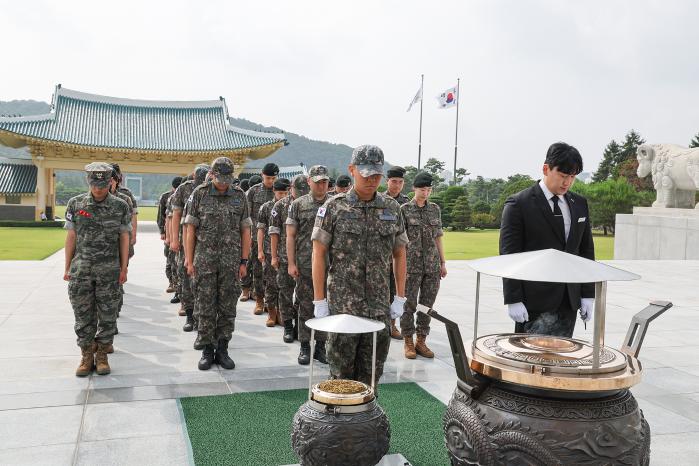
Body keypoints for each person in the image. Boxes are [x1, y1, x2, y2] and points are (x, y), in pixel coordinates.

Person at [311, 145, 408, 387]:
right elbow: (318, 254)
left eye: (377, 175)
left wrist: (400, 297)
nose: (372, 180)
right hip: (344, 306)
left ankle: (368, 422)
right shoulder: (333, 207)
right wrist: (319, 300)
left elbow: (400, 253)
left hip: (377, 306)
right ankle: (339, 424)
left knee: (372, 374)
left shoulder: (392, 208)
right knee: (341, 376)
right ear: (352, 170)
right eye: (366, 175)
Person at [499, 142, 595, 337]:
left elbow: (585, 252)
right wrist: (513, 298)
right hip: (533, 300)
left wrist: (587, 294)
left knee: (561, 359)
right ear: (546, 169)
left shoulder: (579, 204)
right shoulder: (518, 204)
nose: (567, 182)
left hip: (569, 300)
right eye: (562, 175)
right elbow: (509, 254)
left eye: (572, 176)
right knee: (530, 361)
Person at [63, 162, 131, 376]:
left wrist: (124, 268)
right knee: (83, 315)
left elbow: (124, 237)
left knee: (108, 314)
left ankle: (101, 355)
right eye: (94, 184)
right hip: (81, 270)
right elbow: (71, 236)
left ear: (110, 181)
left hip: (109, 270)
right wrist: (67, 267)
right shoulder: (76, 204)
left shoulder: (120, 206)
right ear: (88, 181)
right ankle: (85, 355)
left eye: (102, 184)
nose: (98, 188)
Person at [185, 157, 251, 370]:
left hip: (231, 262)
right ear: (212, 174)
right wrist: (189, 258)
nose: (223, 183)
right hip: (204, 260)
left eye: (227, 179)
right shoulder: (200, 194)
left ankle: (223, 348)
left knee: (227, 306)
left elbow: (245, 230)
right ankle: (206, 349)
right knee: (205, 305)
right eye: (220, 178)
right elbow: (190, 229)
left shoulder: (240, 196)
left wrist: (244, 260)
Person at [400, 172, 447, 359]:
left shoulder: (434, 209)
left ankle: (421, 340)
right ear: (414, 188)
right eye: (422, 189)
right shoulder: (404, 209)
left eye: (428, 190)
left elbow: (438, 237)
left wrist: (443, 262)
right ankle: (408, 341)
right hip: (411, 266)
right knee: (408, 304)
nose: (425, 193)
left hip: (432, 266)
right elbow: (400, 242)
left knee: (426, 305)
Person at [287, 165, 331, 365]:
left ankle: (320, 347)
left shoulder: (335, 204)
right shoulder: (298, 204)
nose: (321, 186)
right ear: (309, 182)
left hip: (331, 267)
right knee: (305, 306)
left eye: (325, 182)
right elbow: (290, 235)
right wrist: (291, 263)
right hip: (305, 265)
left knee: (326, 306)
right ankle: (305, 345)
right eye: (318, 181)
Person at [270, 174, 309, 343]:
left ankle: (300, 327)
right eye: (297, 190)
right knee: (285, 292)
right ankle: (287, 325)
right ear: (290, 189)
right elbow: (274, 234)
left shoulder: (311, 203)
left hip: (307, 258)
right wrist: (273, 256)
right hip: (285, 257)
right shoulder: (280, 206)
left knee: (304, 295)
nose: (300, 194)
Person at [171, 165, 209, 330]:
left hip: (205, 243)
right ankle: (189, 314)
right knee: (186, 275)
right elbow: (175, 215)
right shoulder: (184, 189)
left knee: (203, 281)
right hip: (185, 239)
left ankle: (201, 316)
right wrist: (174, 239)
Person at [243, 164, 278, 310]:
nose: (271, 181)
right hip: (257, 237)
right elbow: (246, 216)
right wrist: (249, 236)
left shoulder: (281, 190)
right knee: (257, 270)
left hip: (275, 239)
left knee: (273, 273)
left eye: (273, 178)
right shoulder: (253, 191)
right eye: (268, 177)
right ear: (262, 175)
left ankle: (274, 304)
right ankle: (259, 300)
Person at [257, 178, 290, 327]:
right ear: (274, 191)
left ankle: (283, 314)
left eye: (285, 192)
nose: (282, 195)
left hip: (287, 252)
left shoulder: (291, 206)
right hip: (270, 251)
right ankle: (271, 313)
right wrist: (260, 250)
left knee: (285, 285)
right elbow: (261, 230)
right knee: (271, 283)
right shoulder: (266, 207)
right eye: (280, 192)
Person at [383, 165, 410, 339]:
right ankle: (384, 324)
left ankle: (393, 325)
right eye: (394, 181)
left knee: (397, 291)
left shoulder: (407, 203)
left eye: (400, 182)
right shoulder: (380, 201)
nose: (397, 185)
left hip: (401, 254)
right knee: (384, 291)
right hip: (384, 256)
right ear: (387, 181)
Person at [158, 176, 182, 293]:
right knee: (170, 258)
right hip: (169, 231)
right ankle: (171, 282)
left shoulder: (184, 194)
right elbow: (162, 216)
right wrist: (163, 232)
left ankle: (176, 284)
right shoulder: (166, 196)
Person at [110, 164, 139, 253]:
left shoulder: (126, 194)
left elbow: (133, 215)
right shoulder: (98, 192)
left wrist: (133, 235)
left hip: (122, 234)